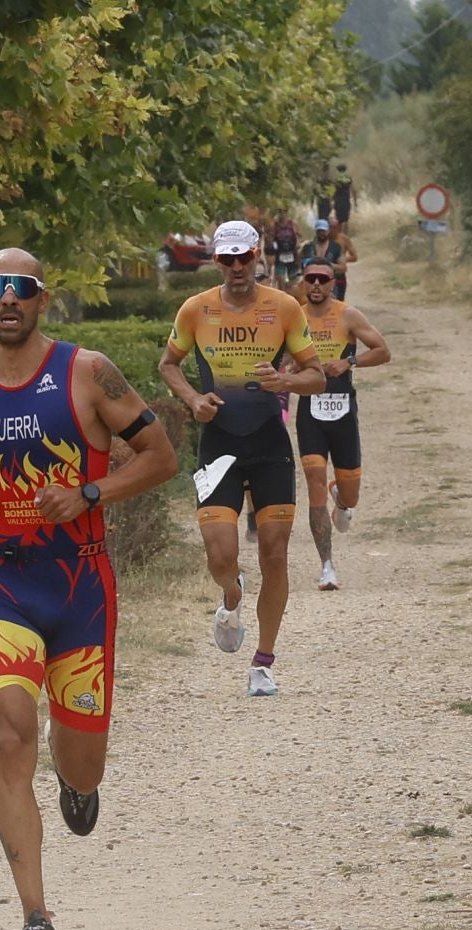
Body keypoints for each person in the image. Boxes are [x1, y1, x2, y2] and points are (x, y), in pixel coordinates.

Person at [0, 250, 176, 930]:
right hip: (2, 583)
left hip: (80, 587)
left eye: (22, 289)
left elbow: (160, 454)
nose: (9, 299)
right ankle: (35, 915)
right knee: (8, 736)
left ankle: (76, 781)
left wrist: (91, 493)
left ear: (42, 299)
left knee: (83, 759)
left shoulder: (87, 373)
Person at [159, 220, 325, 697]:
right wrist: (193, 399)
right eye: (227, 259)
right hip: (219, 445)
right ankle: (231, 594)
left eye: (244, 257)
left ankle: (263, 663)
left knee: (275, 555)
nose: (236, 268)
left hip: (270, 445)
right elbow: (168, 364)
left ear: (258, 256)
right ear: (217, 261)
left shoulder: (285, 308)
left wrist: (286, 382)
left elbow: (315, 376)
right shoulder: (196, 309)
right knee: (220, 556)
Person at [295, 259, 391, 591]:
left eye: (323, 279)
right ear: (304, 283)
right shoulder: (293, 316)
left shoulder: (348, 315)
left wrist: (348, 361)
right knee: (314, 482)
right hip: (310, 411)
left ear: (333, 283)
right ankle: (327, 566)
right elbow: (277, 358)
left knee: (350, 494)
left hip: (343, 409)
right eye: (311, 279)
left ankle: (343, 497)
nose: (316, 285)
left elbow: (382, 351)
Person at [299, 219, 359, 302]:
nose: (321, 233)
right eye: (319, 231)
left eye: (323, 231)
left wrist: (328, 264)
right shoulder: (308, 247)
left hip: (333, 282)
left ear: (328, 231)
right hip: (313, 283)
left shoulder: (336, 246)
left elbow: (344, 266)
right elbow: (300, 263)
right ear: (316, 231)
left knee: (336, 307)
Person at [331, 163, 354, 232]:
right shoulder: (348, 178)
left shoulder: (336, 179)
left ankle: (339, 235)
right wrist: (355, 202)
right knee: (346, 220)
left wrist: (331, 201)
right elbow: (354, 190)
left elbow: (332, 191)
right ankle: (346, 236)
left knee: (338, 219)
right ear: (345, 170)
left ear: (337, 170)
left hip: (338, 201)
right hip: (346, 200)